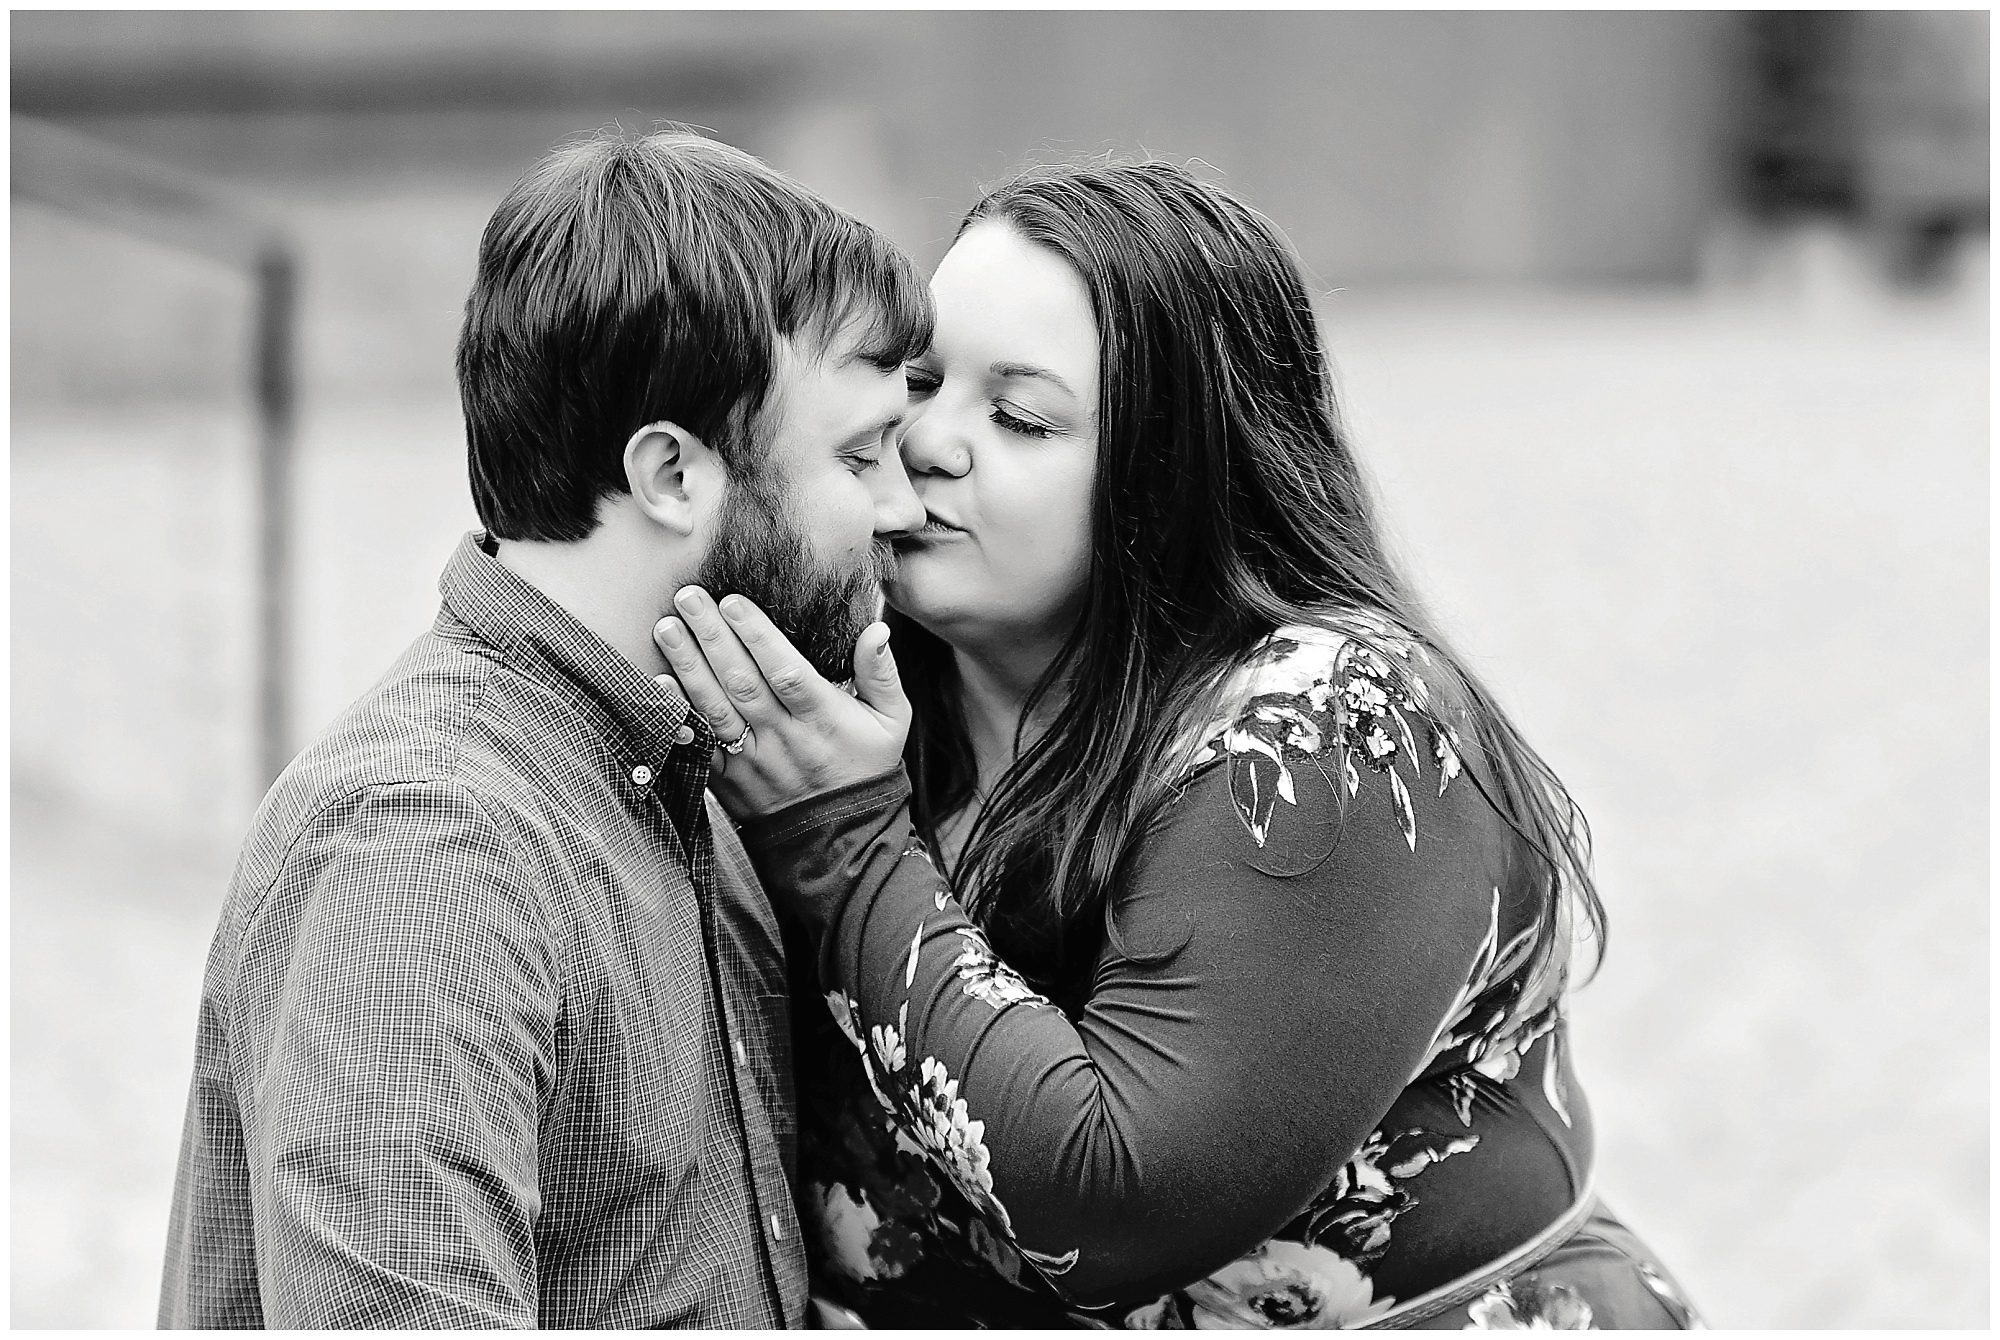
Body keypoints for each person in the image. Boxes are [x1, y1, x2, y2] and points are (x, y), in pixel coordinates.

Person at [653, 160, 1704, 1329]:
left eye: (1020, 417)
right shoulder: (843, 672)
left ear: (1181, 468)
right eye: (920, 384)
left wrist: (844, 846)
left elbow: (1117, 1203)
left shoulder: (1332, 730)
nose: (930, 443)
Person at [157, 127, 932, 1327]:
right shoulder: (427, 851)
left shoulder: (695, 778)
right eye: (861, 454)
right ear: (671, 474)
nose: (901, 503)